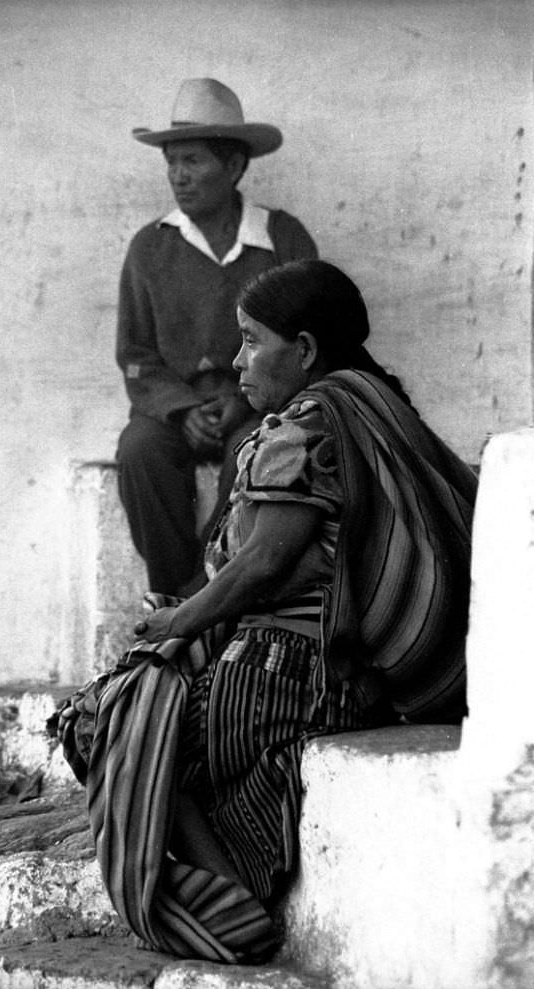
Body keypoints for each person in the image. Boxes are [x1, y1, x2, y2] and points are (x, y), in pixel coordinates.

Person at [56, 259, 478, 963]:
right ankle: (232, 879)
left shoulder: (306, 423)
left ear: (305, 350)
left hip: (288, 674)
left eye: (251, 340)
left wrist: (179, 621)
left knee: (103, 718)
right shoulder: (371, 403)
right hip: (334, 673)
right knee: (147, 717)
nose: (233, 360)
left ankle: (227, 908)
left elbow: (266, 562)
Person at [115, 77, 318, 595]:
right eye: (172, 163)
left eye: (192, 162)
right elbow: (136, 354)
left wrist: (242, 398)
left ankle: (206, 588)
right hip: (175, 410)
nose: (178, 177)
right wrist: (183, 410)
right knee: (139, 450)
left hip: (258, 403)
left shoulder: (281, 239)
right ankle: (170, 590)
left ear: (233, 166)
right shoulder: (150, 248)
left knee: (254, 449)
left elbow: (307, 338)